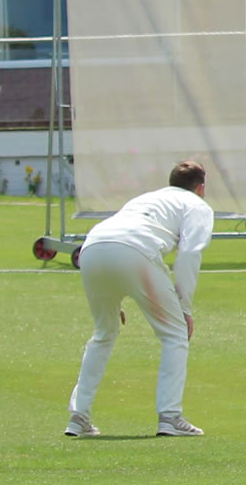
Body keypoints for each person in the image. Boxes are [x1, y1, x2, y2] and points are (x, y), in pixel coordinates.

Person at [65, 160, 215, 438]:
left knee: (104, 332)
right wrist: (184, 308)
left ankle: (79, 416)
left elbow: (115, 239)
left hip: (92, 248)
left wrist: (115, 291)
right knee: (175, 334)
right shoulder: (197, 206)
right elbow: (190, 254)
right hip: (135, 251)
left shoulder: (147, 198)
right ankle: (170, 416)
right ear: (201, 187)